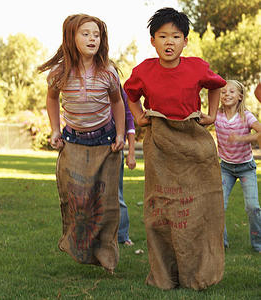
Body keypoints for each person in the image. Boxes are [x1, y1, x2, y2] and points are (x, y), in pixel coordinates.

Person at [124, 7, 226, 290]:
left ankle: (198, 273)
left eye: (176, 36)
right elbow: (129, 94)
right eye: (162, 36)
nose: (169, 42)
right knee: (162, 212)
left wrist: (213, 114)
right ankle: (166, 276)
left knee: (195, 210)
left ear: (185, 41)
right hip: (160, 146)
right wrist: (140, 115)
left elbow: (217, 85)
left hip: (192, 146)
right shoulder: (143, 70)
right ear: (153, 41)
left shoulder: (197, 66)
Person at [38, 14, 125, 273]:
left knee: (106, 200)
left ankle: (107, 253)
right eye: (85, 34)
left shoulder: (108, 71)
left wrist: (120, 134)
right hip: (74, 140)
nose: (92, 39)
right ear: (71, 38)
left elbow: (117, 103)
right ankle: (81, 247)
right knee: (79, 198)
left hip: (105, 140)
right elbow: (52, 100)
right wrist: (55, 129)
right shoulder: (60, 73)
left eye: (96, 35)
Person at [215, 79, 261, 253]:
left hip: (245, 168)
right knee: (218, 206)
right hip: (225, 168)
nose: (227, 94)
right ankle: (221, 243)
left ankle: (258, 245)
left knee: (253, 207)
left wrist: (241, 138)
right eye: (224, 92)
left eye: (231, 92)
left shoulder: (246, 116)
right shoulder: (216, 115)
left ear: (240, 96)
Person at [118, 86, 136, 246]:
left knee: (117, 195)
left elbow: (129, 123)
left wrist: (131, 153)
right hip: (93, 147)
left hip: (114, 151)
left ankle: (122, 236)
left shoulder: (122, 94)